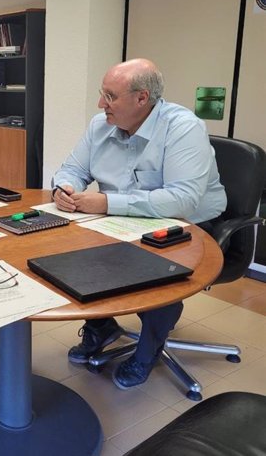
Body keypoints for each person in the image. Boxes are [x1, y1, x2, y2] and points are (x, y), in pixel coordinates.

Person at [52, 58, 226, 389]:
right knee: (74, 249)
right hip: (122, 221)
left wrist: (107, 203)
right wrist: (66, 188)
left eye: (110, 96)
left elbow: (182, 200)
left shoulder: (183, 127)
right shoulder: (99, 125)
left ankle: (148, 350)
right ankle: (100, 326)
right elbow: (72, 168)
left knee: (157, 271)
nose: (101, 104)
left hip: (190, 225)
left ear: (142, 98)